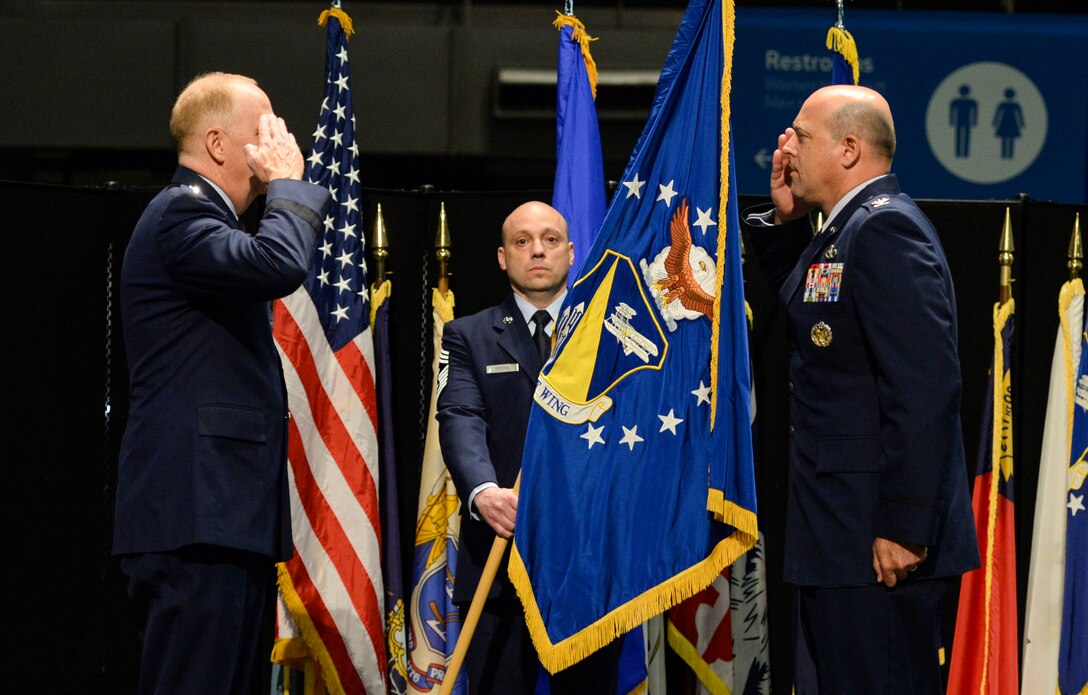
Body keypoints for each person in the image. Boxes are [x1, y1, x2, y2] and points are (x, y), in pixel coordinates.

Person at [742, 85, 980, 694]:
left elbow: (925, 392)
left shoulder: (885, 231)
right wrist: (787, 223)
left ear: (848, 149)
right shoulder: (845, 228)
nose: (785, 145)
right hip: (840, 536)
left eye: (801, 134)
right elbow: (815, 321)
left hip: (881, 544)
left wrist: (904, 526)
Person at [112, 72, 331, 694]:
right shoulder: (181, 213)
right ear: (216, 143)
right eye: (263, 129)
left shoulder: (207, 218)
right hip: (195, 517)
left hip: (223, 519)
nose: (279, 140)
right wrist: (290, 184)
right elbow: (278, 263)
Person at [437, 201, 621, 694]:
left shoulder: (609, 335)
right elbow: (459, 418)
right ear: (502, 257)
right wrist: (482, 491)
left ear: (571, 251)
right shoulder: (467, 336)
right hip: (500, 557)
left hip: (589, 563)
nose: (537, 250)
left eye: (550, 239)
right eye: (522, 241)